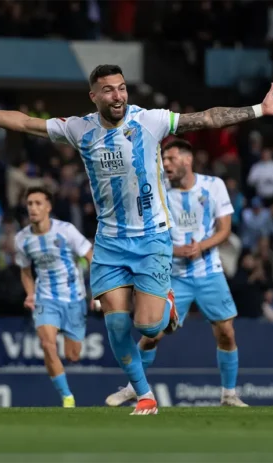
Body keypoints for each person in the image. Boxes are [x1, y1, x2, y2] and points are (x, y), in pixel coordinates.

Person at [0, 64, 273, 415]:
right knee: (114, 322)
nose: (118, 95)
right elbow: (25, 122)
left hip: (152, 238)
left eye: (123, 87)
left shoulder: (150, 120)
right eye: (109, 89)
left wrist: (258, 110)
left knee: (148, 326)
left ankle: (167, 307)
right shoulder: (79, 128)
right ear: (94, 95)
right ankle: (145, 396)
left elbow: (206, 118)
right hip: (110, 242)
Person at [105, 139, 247, 408]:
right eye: (164, 160)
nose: (165, 164)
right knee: (153, 334)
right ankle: (133, 388)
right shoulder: (158, 191)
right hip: (172, 275)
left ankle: (229, 394)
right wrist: (173, 250)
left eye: (170, 159)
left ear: (187, 160)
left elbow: (225, 229)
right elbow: (145, 231)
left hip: (208, 272)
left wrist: (200, 247)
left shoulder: (214, 186)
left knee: (226, 332)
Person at [14, 187, 94, 408]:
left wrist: (96, 290)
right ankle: (67, 397)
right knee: (48, 345)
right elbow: (25, 271)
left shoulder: (66, 231)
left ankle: (66, 382)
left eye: (38, 203)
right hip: (45, 298)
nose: (33, 208)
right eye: (30, 203)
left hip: (74, 297)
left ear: (48, 207)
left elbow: (90, 256)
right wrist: (30, 294)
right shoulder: (22, 239)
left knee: (73, 355)